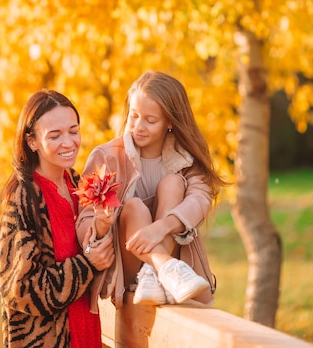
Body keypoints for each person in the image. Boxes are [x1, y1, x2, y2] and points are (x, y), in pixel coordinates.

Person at [76, 70, 227, 311]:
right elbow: (83, 219)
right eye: (134, 116)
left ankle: (154, 273)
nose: (138, 126)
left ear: (170, 121)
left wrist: (162, 227)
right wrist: (102, 224)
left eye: (150, 120)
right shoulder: (107, 156)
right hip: (126, 267)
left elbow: (200, 199)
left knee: (173, 183)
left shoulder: (185, 158)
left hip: (170, 264)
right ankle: (163, 266)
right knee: (134, 206)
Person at [0, 89, 115, 348]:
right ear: (32, 141)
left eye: (73, 130)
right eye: (55, 135)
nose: (69, 142)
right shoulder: (22, 197)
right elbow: (20, 289)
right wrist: (87, 264)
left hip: (86, 335)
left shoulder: (79, 185)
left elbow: (91, 248)